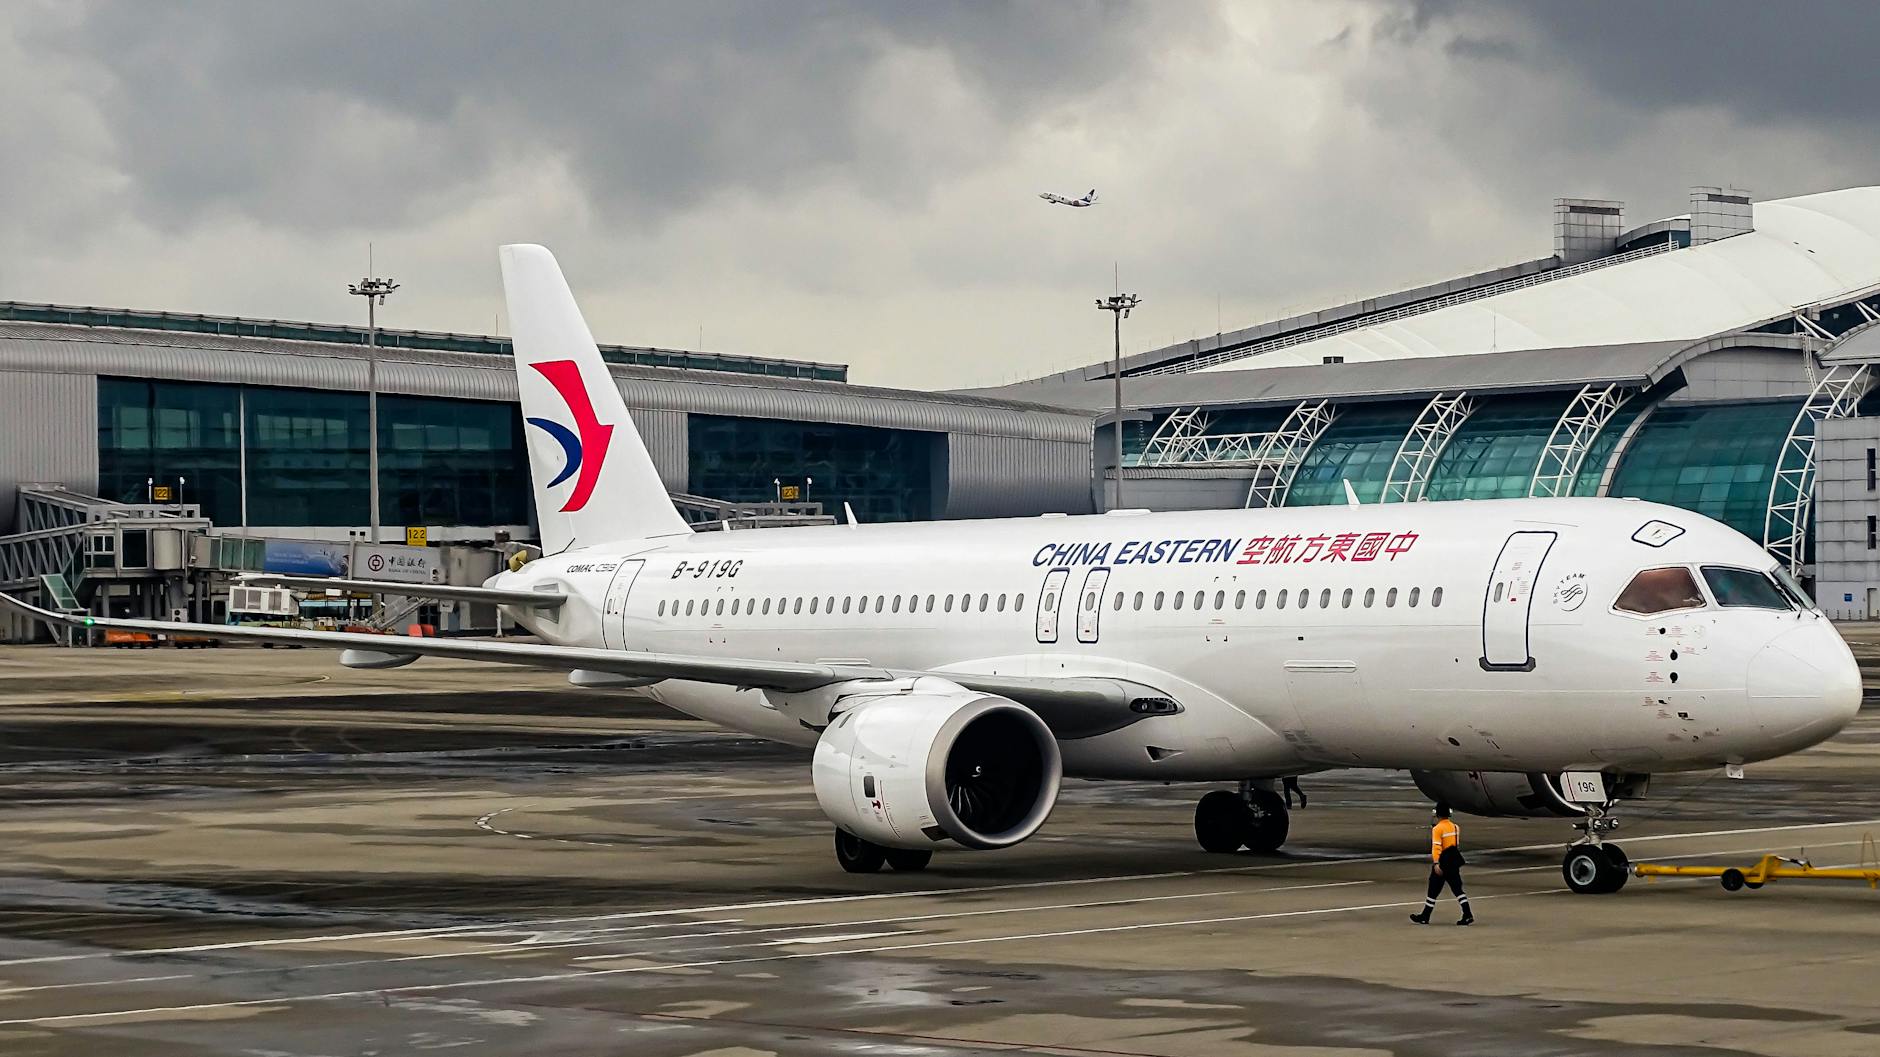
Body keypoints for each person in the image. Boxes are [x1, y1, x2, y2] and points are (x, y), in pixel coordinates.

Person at [1410, 802, 1473, 926]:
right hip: (1454, 860)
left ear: (1437, 814)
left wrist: (1436, 863)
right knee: (1458, 889)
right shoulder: (1455, 827)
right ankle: (1467, 913)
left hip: (1443, 861)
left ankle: (1425, 916)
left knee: (1433, 888)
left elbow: (1437, 847)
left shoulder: (1437, 829)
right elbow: (1455, 844)